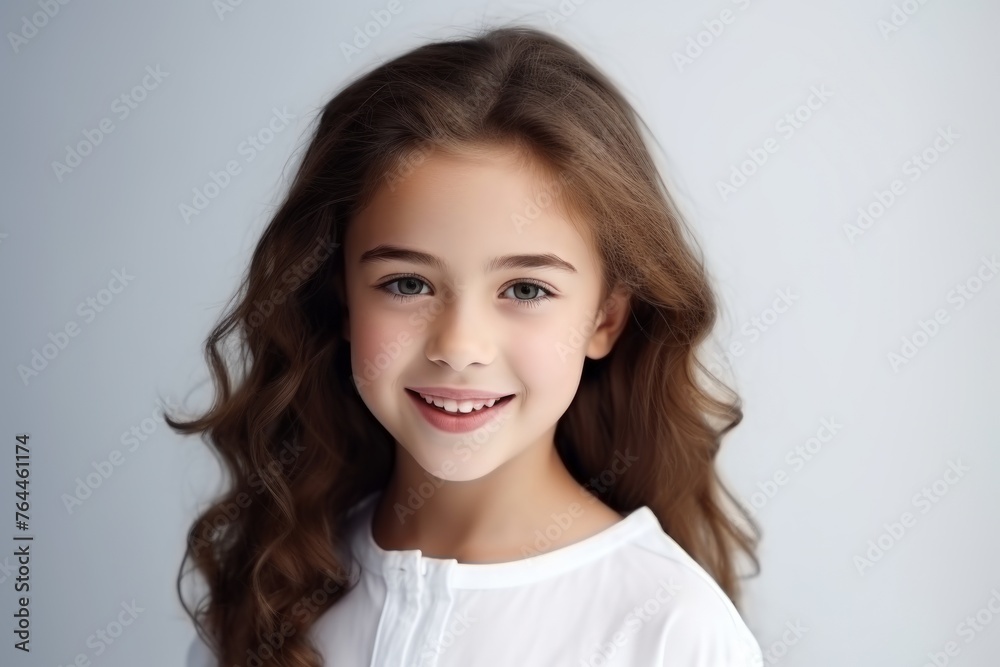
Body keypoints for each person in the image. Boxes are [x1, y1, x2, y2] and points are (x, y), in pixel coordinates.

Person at [170, 23, 763, 667]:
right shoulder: (276, 577)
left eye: (527, 290)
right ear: (340, 297)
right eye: (406, 283)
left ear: (606, 318)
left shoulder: (672, 632)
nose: (459, 346)